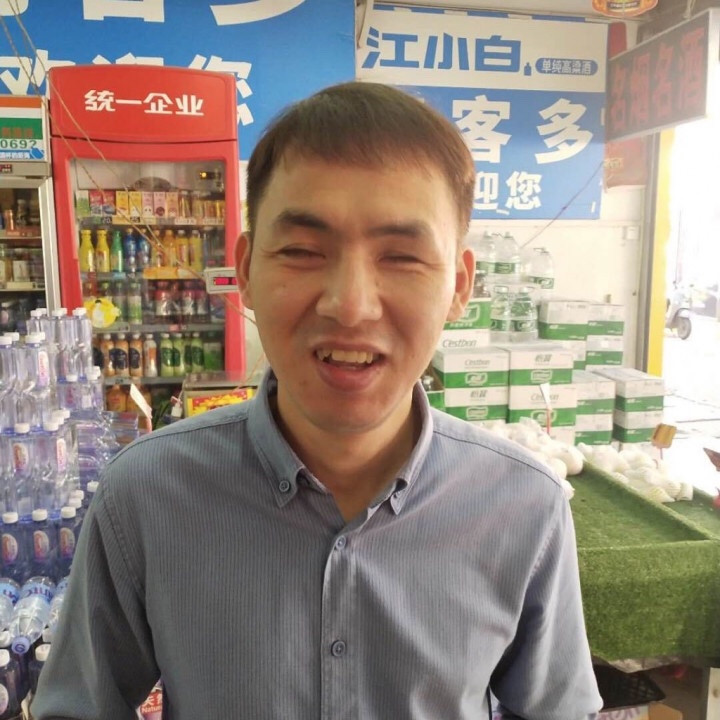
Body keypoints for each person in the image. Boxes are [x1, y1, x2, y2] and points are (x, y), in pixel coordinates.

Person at [33, 82, 602, 719]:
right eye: (302, 251)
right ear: (246, 269)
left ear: (460, 286)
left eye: (402, 257)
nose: (350, 306)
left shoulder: (524, 506)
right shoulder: (145, 495)